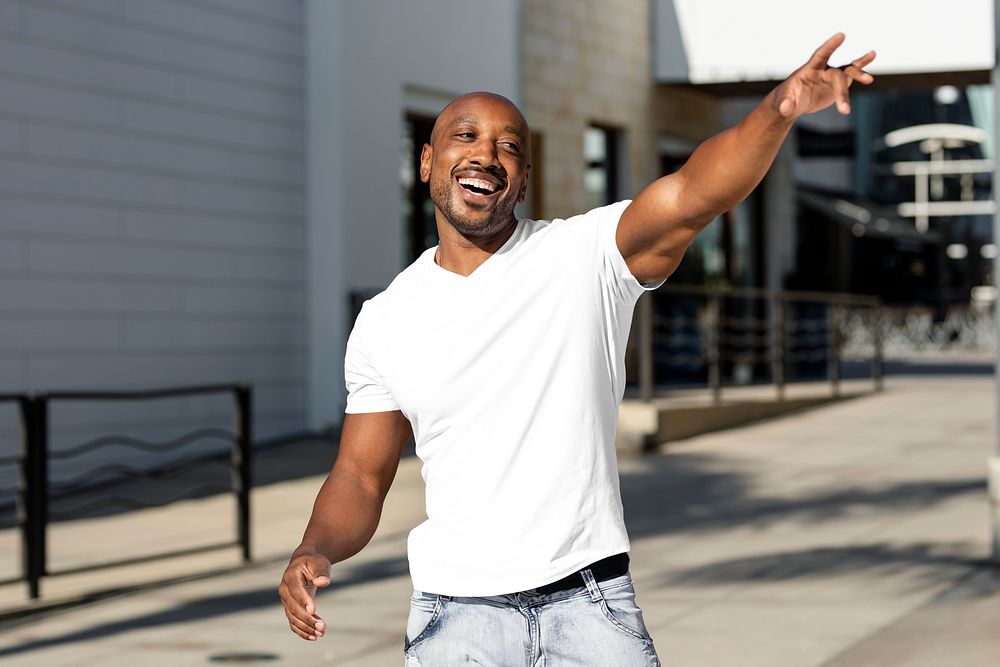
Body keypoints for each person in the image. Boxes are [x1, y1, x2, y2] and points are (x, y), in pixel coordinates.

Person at [280, 33, 875, 665]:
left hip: (589, 606)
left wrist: (776, 111)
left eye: (509, 146)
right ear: (426, 161)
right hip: (455, 622)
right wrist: (313, 548)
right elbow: (360, 476)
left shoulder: (584, 256)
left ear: (524, 179)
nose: (487, 155)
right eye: (467, 136)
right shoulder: (386, 319)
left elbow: (695, 192)